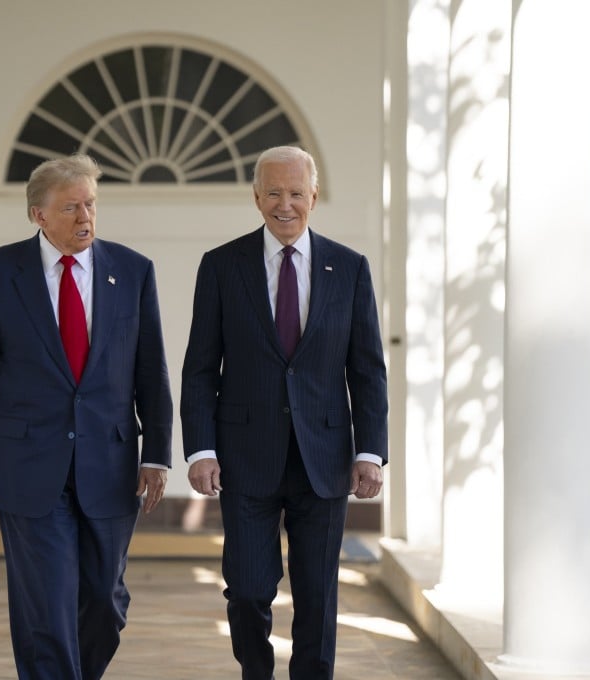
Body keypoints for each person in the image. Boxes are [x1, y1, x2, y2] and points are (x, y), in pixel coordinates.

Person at [0, 153, 173, 680]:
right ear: (38, 215)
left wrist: (158, 454)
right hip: (26, 466)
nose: (85, 218)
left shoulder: (133, 271)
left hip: (111, 463)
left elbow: (152, 372)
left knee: (104, 603)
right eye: (71, 207)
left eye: (91, 204)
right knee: (47, 610)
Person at [181, 146, 388, 679]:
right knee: (248, 589)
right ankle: (257, 672)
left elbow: (367, 371)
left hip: (325, 457)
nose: (285, 204)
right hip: (245, 457)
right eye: (273, 193)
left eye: (296, 193)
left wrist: (371, 452)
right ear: (256, 198)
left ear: (314, 197)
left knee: (318, 597)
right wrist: (201, 448)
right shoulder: (222, 266)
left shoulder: (350, 269)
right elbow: (201, 367)